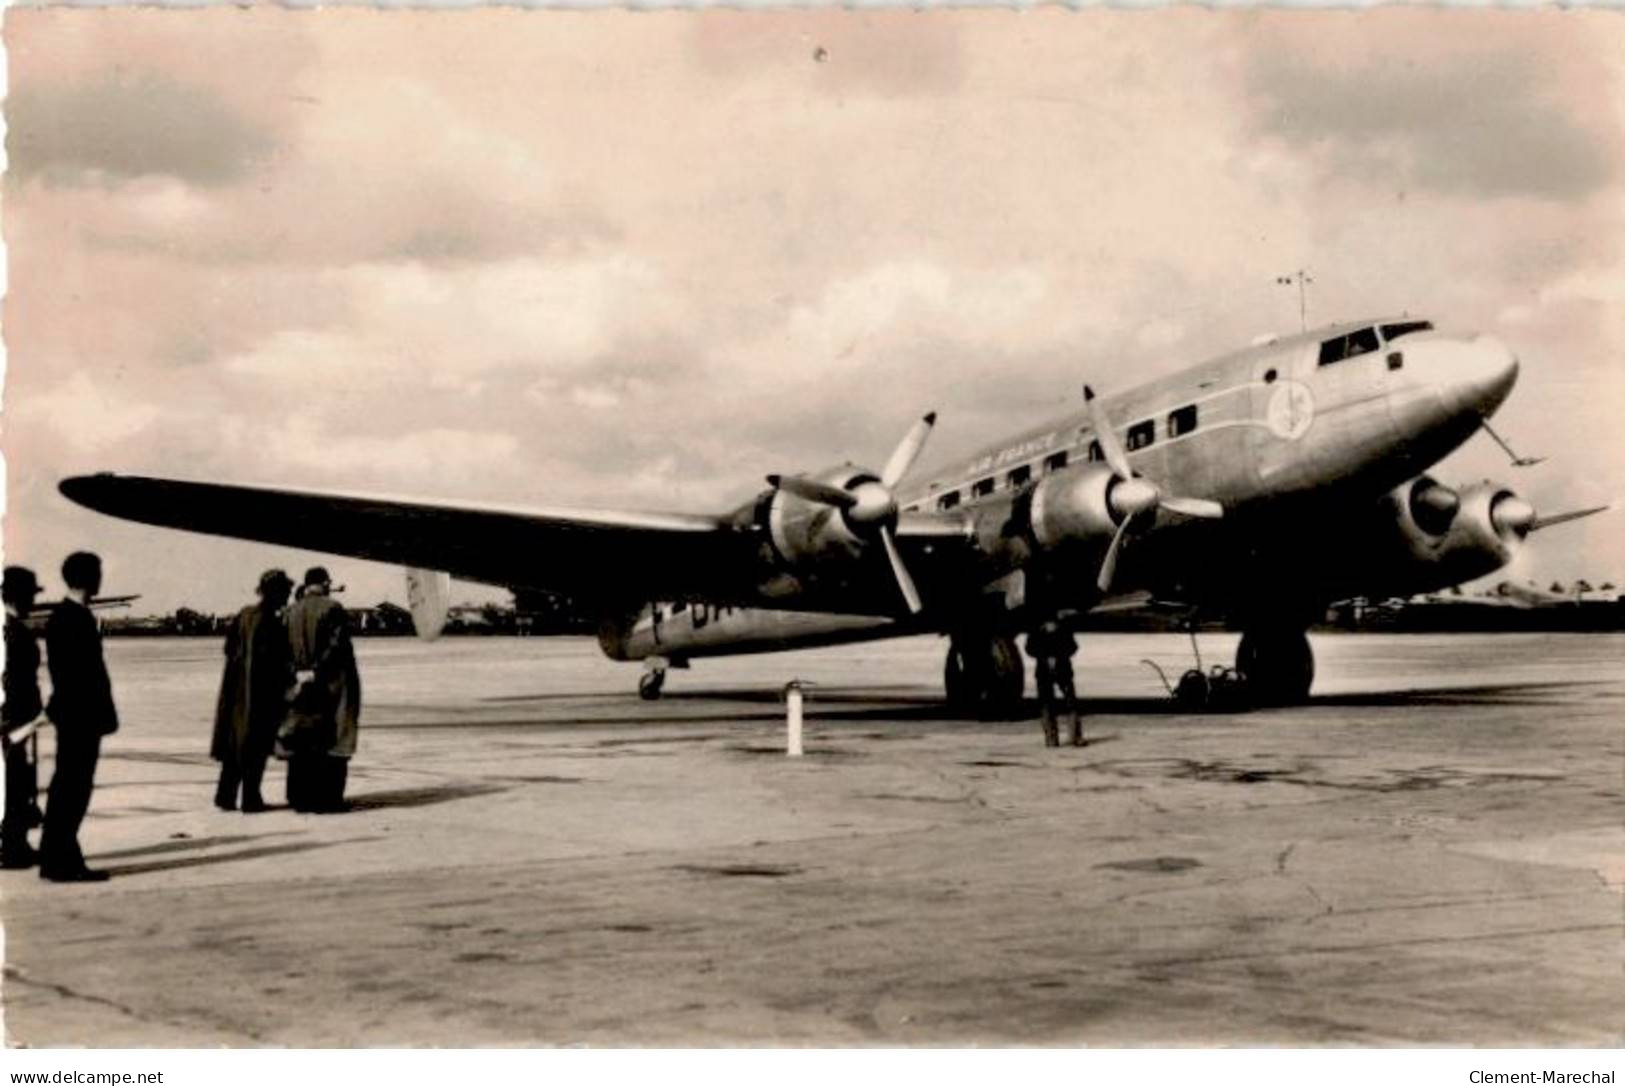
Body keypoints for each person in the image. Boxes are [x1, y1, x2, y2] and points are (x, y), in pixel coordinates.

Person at [40, 552, 119, 882]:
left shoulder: (64, 616)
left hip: (73, 716)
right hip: (80, 719)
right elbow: (81, 676)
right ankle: (62, 862)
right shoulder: (76, 619)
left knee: (66, 787)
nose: (101, 579)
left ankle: (55, 857)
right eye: (98, 572)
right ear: (88, 578)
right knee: (73, 789)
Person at [212, 569, 295, 813]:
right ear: (276, 592)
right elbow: (278, 661)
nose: (288, 597)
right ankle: (250, 798)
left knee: (235, 746)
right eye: (285, 592)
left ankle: (225, 796)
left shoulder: (244, 615)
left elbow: (228, 649)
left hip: (236, 692)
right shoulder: (272, 621)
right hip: (261, 694)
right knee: (256, 747)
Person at [279, 567, 360, 813]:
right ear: (324, 583)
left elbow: (280, 649)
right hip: (333, 684)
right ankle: (329, 800)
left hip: (299, 684)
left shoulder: (290, 611)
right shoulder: (333, 608)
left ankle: (299, 798)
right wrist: (318, 669)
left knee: (302, 738)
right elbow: (337, 645)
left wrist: (299, 672)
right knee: (336, 739)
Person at [2, 567, 46, 868]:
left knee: (18, 782)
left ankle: (16, 844)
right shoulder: (11, 631)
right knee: (14, 783)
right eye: (30, 594)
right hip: (13, 720)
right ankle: (12, 848)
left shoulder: (13, 627)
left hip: (18, 718)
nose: (33, 600)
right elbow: (11, 680)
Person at [1028, 620, 1082, 748]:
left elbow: (1073, 647)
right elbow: (1030, 648)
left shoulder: (1062, 630)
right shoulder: (1038, 631)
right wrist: (1045, 657)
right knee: (1049, 704)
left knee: (1069, 703)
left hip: (1061, 669)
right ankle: (1053, 738)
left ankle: (1072, 737)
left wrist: (1058, 657)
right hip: (1046, 671)